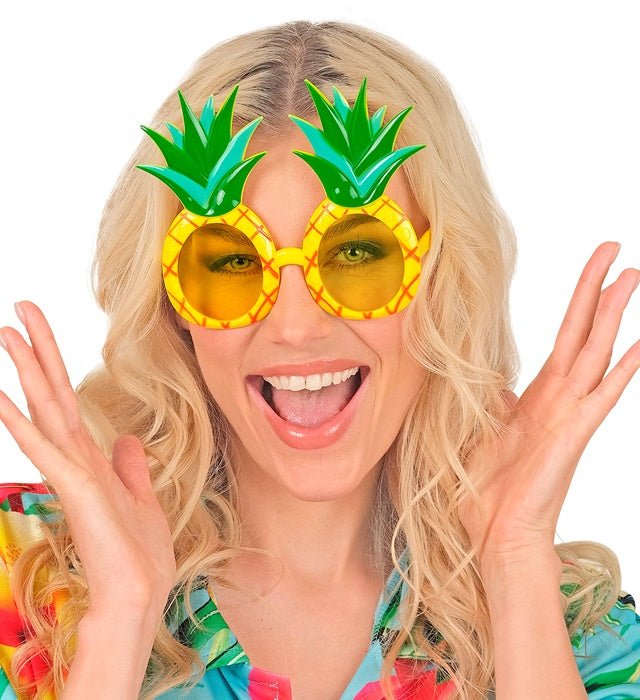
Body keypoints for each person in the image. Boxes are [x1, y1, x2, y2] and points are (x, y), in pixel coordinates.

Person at [0, 18, 639, 700]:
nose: (296, 328)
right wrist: (120, 619)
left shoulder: (581, 637)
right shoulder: (22, 576)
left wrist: (515, 565)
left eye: (357, 253)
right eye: (233, 262)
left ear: (442, 279)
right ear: (171, 300)